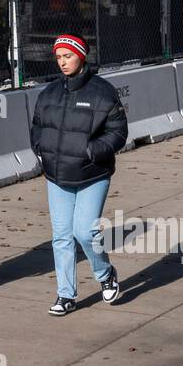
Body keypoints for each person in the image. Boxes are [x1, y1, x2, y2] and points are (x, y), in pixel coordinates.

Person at [30, 34, 128, 316]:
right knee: (61, 237)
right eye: (59, 57)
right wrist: (41, 149)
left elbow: (118, 132)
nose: (62, 62)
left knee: (85, 232)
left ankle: (105, 273)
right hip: (57, 176)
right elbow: (37, 127)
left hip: (92, 174)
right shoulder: (48, 93)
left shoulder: (102, 91)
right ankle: (66, 295)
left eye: (68, 56)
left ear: (81, 56)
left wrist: (91, 150)